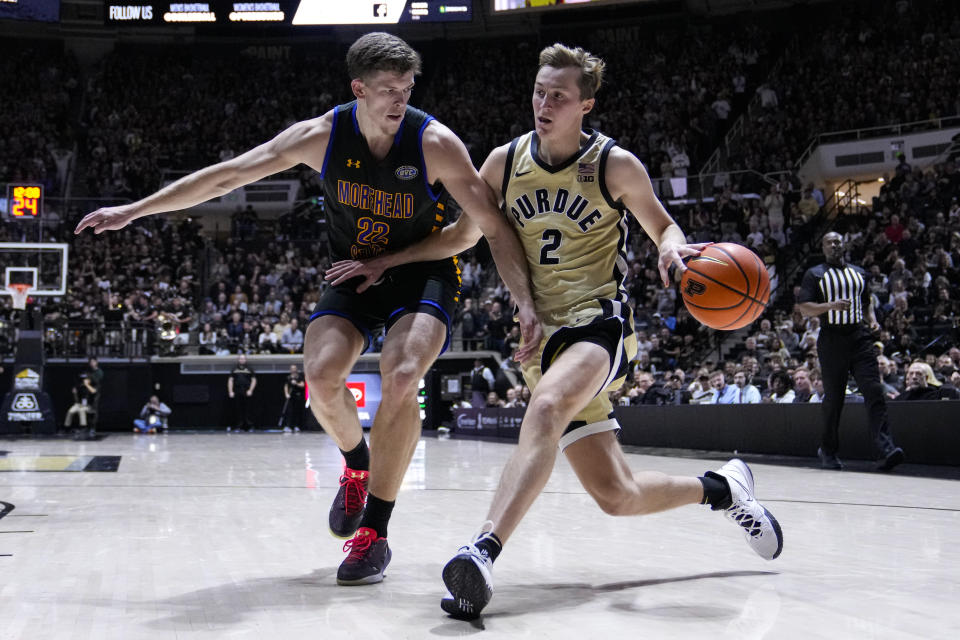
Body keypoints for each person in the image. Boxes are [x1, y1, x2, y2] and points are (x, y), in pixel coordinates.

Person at [328, 43, 783, 619]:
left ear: (585, 104)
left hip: (598, 325)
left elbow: (663, 227)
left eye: (558, 96)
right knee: (617, 496)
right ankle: (723, 489)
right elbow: (461, 237)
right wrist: (384, 262)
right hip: (540, 343)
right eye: (539, 91)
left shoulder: (614, 164)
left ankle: (482, 551)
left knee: (543, 410)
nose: (544, 103)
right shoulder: (503, 162)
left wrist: (675, 253)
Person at [77, 32, 541, 586]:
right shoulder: (321, 137)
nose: (400, 100)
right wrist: (136, 209)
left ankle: (375, 530)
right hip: (352, 271)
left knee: (403, 373)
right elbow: (228, 174)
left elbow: (487, 227)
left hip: (423, 271)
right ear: (358, 89)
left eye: (407, 88)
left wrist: (523, 303)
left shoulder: (435, 143)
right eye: (388, 89)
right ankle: (356, 463)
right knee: (320, 377)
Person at [796, 231, 904, 471]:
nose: (834, 244)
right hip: (832, 339)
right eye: (829, 242)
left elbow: (866, 303)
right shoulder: (815, 274)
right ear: (823, 248)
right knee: (834, 400)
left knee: (875, 391)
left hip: (859, 337)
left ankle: (886, 449)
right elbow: (804, 308)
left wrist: (872, 320)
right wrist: (829, 306)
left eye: (838, 241)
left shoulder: (859, 273)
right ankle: (828, 450)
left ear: (843, 245)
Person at [893, 361, 960, 401]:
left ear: (927, 377)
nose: (914, 377)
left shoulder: (938, 395)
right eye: (911, 373)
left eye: (918, 374)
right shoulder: (901, 398)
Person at [228, 354, 257, 432]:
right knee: (238, 409)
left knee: (248, 409)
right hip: (237, 391)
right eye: (240, 358)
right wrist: (230, 391)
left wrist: (250, 390)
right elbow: (230, 380)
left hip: (247, 391)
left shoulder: (249, 369)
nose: (242, 360)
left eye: (243, 359)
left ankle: (250, 427)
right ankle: (238, 427)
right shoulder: (234, 369)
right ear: (238, 360)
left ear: (245, 360)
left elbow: (254, 380)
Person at [282, 364, 306, 432]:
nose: (293, 370)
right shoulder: (288, 377)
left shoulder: (299, 377)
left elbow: (302, 385)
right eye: (292, 369)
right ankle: (288, 426)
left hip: (298, 396)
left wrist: (296, 383)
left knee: (297, 412)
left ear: (296, 369)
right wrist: (286, 394)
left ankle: (296, 426)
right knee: (289, 412)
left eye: (294, 368)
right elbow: (286, 386)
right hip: (290, 397)